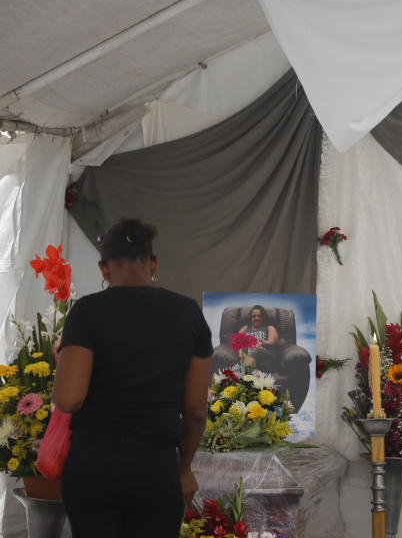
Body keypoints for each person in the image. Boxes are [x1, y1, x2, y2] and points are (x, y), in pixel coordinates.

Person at [52, 218, 212, 538]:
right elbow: (195, 409)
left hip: (93, 465)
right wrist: (184, 467)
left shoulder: (87, 312)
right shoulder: (188, 312)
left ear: (104, 268)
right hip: (156, 466)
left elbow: (69, 399)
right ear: (152, 262)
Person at [237, 304, 279, 372]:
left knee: (257, 353)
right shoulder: (245, 328)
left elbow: (272, 341)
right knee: (246, 360)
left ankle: (245, 373)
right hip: (249, 357)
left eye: (259, 316)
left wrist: (261, 343)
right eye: (254, 316)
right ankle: (250, 374)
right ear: (251, 318)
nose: (256, 318)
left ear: (263, 317)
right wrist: (241, 353)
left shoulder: (269, 328)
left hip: (265, 356)